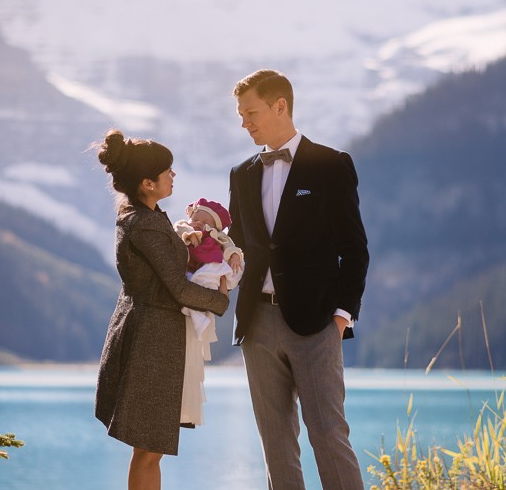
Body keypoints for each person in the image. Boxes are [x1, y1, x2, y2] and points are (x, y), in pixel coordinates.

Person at [228, 69, 370, 489]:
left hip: (317, 325)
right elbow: (238, 247)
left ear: (280, 106)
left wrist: (341, 316)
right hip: (257, 325)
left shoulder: (331, 164)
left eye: (251, 112)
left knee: (328, 436)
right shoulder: (241, 173)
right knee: (275, 445)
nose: (244, 123)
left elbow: (355, 248)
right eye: (240, 114)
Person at [94, 130, 229, 490]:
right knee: (149, 449)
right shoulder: (146, 225)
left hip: (150, 336)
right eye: (167, 171)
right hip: (151, 344)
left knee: (150, 449)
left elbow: (164, 274)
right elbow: (179, 288)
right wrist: (221, 301)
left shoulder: (143, 217)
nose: (174, 176)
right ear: (147, 183)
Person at [172, 198, 243, 427]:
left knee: (216, 275)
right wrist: (188, 233)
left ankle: (200, 310)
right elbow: (179, 229)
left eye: (206, 222)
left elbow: (231, 246)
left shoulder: (217, 237)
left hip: (208, 273)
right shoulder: (184, 226)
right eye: (197, 219)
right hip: (189, 274)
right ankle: (196, 309)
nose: (200, 224)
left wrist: (234, 256)